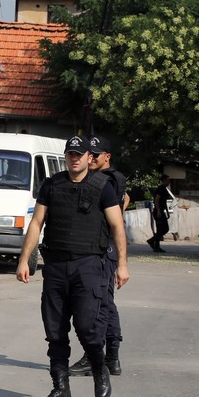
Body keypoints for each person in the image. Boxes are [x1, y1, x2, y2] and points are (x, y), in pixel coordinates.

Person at [16, 135, 129, 397]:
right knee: (55, 331)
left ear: (89, 157)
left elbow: (117, 227)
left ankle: (99, 370)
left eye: (79, 154)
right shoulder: (52, 185)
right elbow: (36, 222)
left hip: (88, 265)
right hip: (55, 266)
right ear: (66, 157)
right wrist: (24, 259)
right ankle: (60, 389)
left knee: (87, 326)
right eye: (71, 154)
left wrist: (123, 264)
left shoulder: (103, 187)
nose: (75, 158)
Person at [70, 136, 129, 378]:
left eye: (96, 154)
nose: (92, 158)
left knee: (100, 305)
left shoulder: (108, 181)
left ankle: (101, 356)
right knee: (104, 302)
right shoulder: (109, 179)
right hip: (99, 248)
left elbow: (115, 211)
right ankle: (111, 358)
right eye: (90, 154)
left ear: (107, 156)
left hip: (104, 250)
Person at [148, 175, 174, 253]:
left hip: (162, 211)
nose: (169, 182)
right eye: (168, 180)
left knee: (163, 229)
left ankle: (155, 244)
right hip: (158, 211)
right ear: (163, 180)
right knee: (162, 229)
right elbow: (156, 200)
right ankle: (153, 243)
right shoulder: (161, 189)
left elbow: (164, 202)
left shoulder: (165, 189)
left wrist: (166, 212)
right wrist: (159, 210)